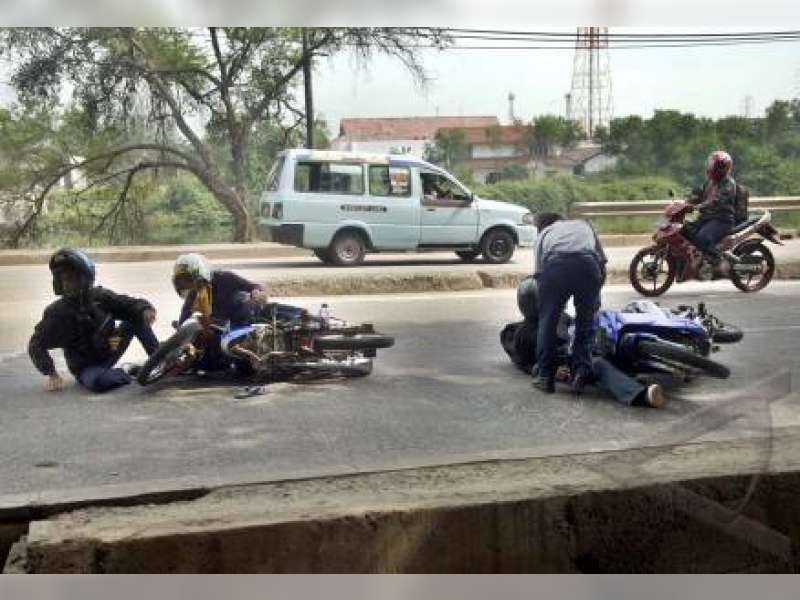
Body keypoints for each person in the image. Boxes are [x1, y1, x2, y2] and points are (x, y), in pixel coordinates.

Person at [503, 276, 666, 408]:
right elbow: (525, 363)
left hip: (583, 346)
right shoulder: (520, 334)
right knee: (597, 364)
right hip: (564, 361)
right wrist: (554, 370)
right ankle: (641, 395)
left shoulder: (561, 317)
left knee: (616, 342)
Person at [28, 248, 160, 393]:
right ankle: (127, 372)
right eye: (64, 279)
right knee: (98, 381)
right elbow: (36, 344)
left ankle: (160, 359)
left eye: (72, 278)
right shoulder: (57, 312)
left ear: (85, 277)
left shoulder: (101, 297)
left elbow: (127, 303)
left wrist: (145, 309)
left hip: (111, 347)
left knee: (135, 316)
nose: (68, 284)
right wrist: (51, 373)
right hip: (86, 368)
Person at [531, 212, 607, 394]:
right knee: (585, 323)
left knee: (547, 323)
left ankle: (545, 377)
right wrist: (594, 299)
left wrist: (549, 305)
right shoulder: (584, 225)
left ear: (542, 226)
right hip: (588, 265)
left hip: (556, 265)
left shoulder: (544, 234)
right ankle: (581, 372)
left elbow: (539, 274)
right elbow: (602, 263)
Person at [172, 253, 269, 373]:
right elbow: (184, 316)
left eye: (188, 279)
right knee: (205, 363)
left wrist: (257, 292)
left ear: (200, 273)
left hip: (242, 315)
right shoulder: (194, 293)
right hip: (221, 325)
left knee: (246, 368)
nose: (187, 284)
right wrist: (180, 336)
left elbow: (254, 286)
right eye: (182, 282)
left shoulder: (225, 277)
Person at [684, 150, 740, 268]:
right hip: (707, 218)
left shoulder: (729, 184)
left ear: (723, 168)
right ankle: (697, 259)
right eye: (711, 164)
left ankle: (718, 260)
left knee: (702, 238)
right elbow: (699, 194)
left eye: (716, 166)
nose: (711, 168)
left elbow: (716, 201)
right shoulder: (710, 182)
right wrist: (687, 201)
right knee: (685, 229)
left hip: (722, 220)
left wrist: (699, 206)